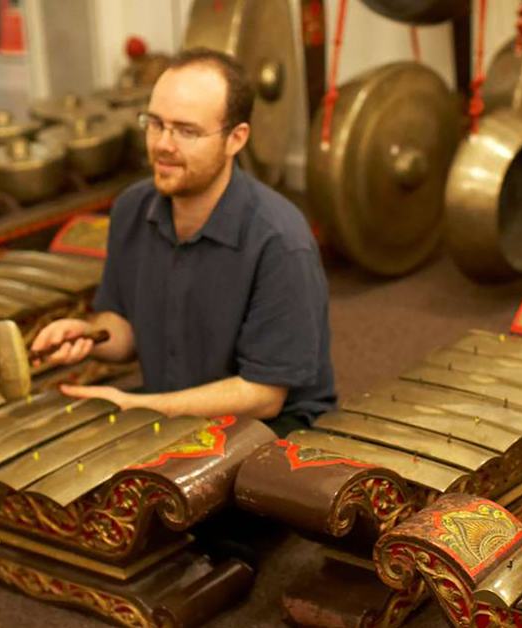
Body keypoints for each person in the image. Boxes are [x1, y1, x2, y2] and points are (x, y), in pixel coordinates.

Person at [32, 47, 335, 437]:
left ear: (236, 139)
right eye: (155, 123)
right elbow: (123, 329)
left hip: (271, 428)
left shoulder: (280, 241)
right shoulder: (131, 209)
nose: (163, 144)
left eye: (187, 131)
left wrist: (137, 407)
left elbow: (263, 395)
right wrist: (88, 335)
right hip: (173, 404)